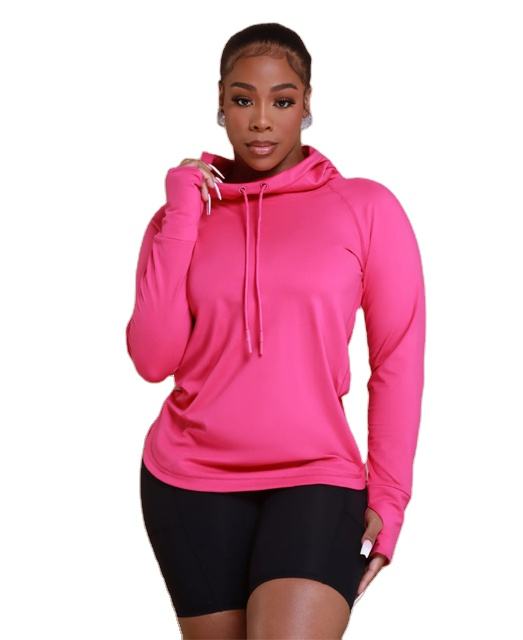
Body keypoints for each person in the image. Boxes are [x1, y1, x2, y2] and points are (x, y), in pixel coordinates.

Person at [125, 22, 426, 639]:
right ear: (220, 101)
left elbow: (397, 358)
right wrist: (181, 212)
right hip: (188, 480)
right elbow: (153, 358)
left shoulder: (364, 207)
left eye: (282, 101)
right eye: (243, 99)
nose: (261, 121)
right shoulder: (180, 218)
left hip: (316, 474)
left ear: (306, 103)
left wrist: (391, 494)